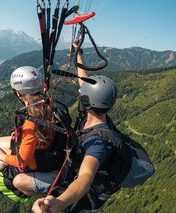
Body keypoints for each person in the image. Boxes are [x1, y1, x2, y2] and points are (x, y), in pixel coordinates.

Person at [32, 49, 120, 212]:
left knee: (20, 181)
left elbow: (85, 177)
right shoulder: (93, 115)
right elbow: (85, 84)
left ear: (86, 101)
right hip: (73, 178)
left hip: (81, 200)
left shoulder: (98, 143)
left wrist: (59, 203)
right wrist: (78, 54)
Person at [0, 66, 62, 195]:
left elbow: (22, 161)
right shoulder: (47, 104)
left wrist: (2, 156)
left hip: (30, 165)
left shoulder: (32, 123)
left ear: (18, 93)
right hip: (43, 151)